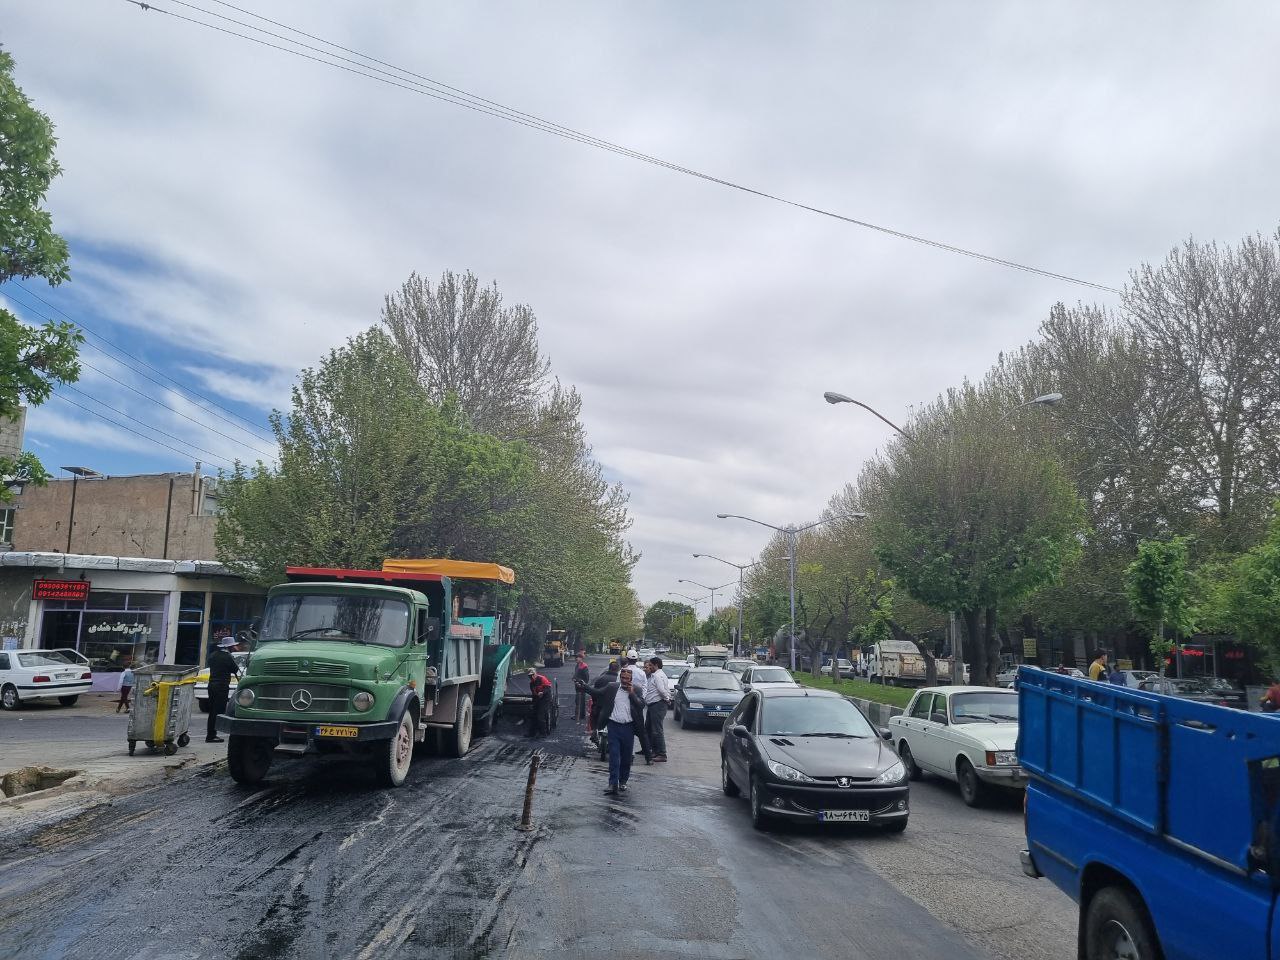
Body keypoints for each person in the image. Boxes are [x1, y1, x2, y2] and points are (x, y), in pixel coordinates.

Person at [578, 665, 645, 796]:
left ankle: (623, 781)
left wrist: (631, 693)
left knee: (626, 757)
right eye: (623, 678)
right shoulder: (612, 687)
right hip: (613, 726)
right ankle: (612, 783)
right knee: (614, 756)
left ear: (631, 679)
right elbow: (597, 692)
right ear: (620, 678)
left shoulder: (636, 690)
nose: (624, 680)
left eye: (627, 678)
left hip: (628, 728)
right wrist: (584, 686)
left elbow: (641, 705)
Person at [205, 636, 241, 743]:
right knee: (218, 711)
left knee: (212, 711)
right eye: (233, 646)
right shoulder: (227, 657)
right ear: (230, 647)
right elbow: (235, 669)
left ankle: (210, 734)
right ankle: (211, 736)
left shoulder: (213, 655)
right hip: (221, 686)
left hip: (211, 685)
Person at [643, 657, 671, 762]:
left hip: (658, 705)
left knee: (657, 730)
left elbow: (661, 690)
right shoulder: (656, 675)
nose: (649, 667)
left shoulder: (658, 676)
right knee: (649, 728)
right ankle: (653, 751)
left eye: (651, 665)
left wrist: (667, 699)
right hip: (653, 705)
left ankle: (662, 754)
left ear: (656, 665)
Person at [526, 667, 553, 737]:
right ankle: (532, 733)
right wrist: (533, 704)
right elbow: (534, 695)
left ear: (535, 674)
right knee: (533, 715)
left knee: (540, 716)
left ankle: (543, 733)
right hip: (538, 699)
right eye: (530, 676)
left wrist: (542, 692)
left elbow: (548, 688)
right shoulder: (531, 684)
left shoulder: (542, 678)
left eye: (532, 675)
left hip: (545, 699)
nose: (531, 677)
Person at [573, 653, 591, 721]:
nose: (576, 659)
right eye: (575, 657)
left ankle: (579, 715)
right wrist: (574, 678)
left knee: (580, 700)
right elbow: (576, 674)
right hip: (578, 685)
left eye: (577, 657)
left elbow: (586, 678)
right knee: (579, 700)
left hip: (581, 686)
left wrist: (581, 684)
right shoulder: (577, 665)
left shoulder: (584, 666)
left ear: (581, 658)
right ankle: (580, 715)